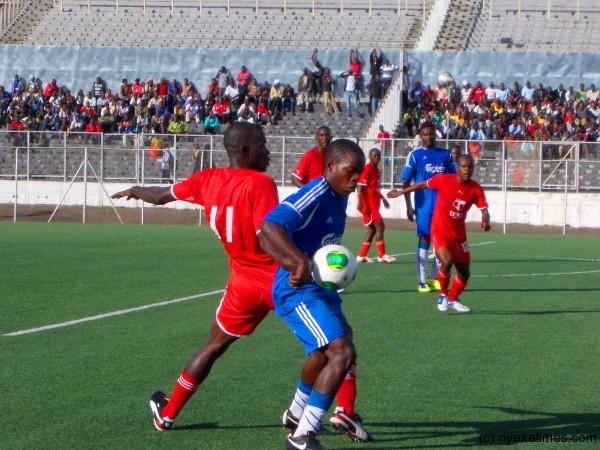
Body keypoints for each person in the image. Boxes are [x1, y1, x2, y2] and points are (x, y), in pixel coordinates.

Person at [111, 122, 279, 431]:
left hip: (242, 285)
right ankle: (330, 412)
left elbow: (162, 195)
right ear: (245, 151)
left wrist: (136, 189)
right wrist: (300, 262)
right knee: (335, 343)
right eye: (262, 146)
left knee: (213, 346)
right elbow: (269, 234)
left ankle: (168, 414)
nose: (268, 152)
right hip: (278, 280)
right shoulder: (261, 184)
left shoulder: (207, 179)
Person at [259, 139, 370, 450]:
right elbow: (269, 226)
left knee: (324, 353)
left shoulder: (339, 194)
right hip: (297, 289)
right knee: (342, 352)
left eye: (359, 173)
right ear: (331, 167)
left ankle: (296, 414)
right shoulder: (316, 192)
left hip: (318, 287)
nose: (356, 179)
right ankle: (302, 436)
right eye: (351, 172)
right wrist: (296, 261)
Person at [387, 154, 490, 313]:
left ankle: (453, 299)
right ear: (457, 167)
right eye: (464, 166)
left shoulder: (475, 188)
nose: (467, 170)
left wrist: (485, 221)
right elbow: (421, 185)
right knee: (447, 261)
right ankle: (443, 295)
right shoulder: (444, 180)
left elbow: (484, 209)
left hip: (459, 235)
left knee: (464, 273)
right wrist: (400, 193)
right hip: (439, 230)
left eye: (470, 167)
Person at [401, 121, 455, 293]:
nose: (429, 137)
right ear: (420, 135)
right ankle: (422, 280)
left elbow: (454, 179)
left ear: (435, 134)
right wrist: (408, 205)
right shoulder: (415, 155)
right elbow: (405, 181)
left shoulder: (445, 155)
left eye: (431, 134)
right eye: (425, 134)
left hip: (443, 205)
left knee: (443, 241)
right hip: (423, 204)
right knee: (425, 239)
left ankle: (434, 277)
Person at [356, 148, 396, 264]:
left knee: (372, 229)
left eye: (378, 156)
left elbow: (375, 188)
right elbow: (360, 186)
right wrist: (359, 201)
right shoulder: (367, 169)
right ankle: (381, 255)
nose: (376, 158)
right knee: (380, 226)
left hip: (375, 203)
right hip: (369, 204)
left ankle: (361, 256)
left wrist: (383, 199)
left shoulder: (376, 170)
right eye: (374, 156)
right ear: (369, 156)